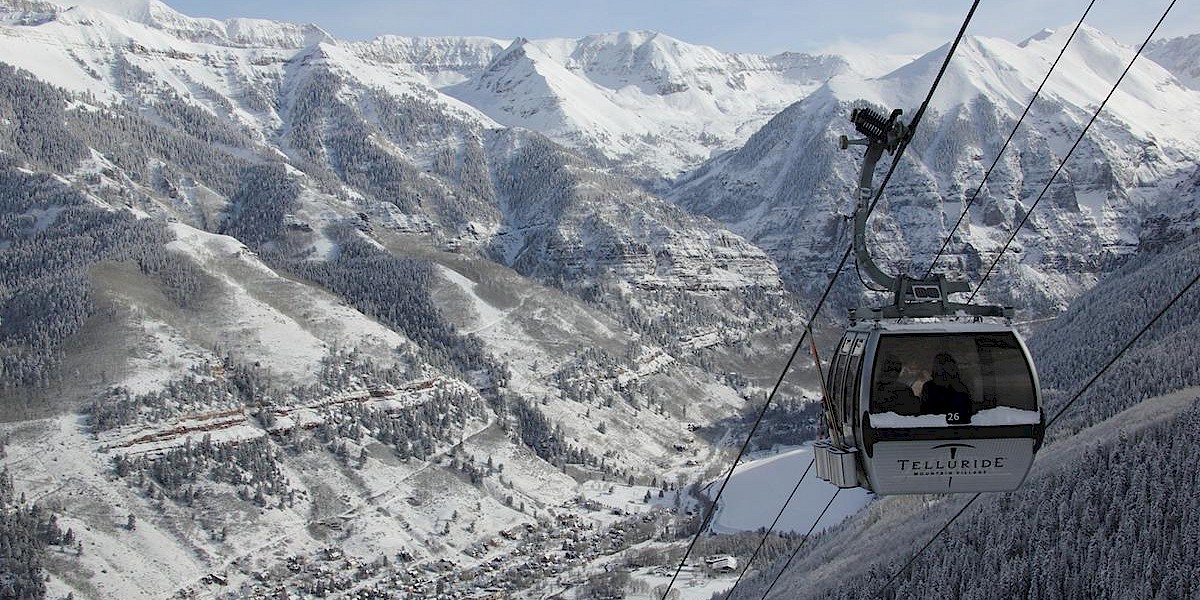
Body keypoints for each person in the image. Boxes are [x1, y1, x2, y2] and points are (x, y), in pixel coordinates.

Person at [920, 353, 973, 424]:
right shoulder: (929, 387)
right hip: (932, 427)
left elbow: (965, 412)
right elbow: (925, 411)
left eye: (944, 364)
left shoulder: (960, 388)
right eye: (938, 365)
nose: (941, 368)